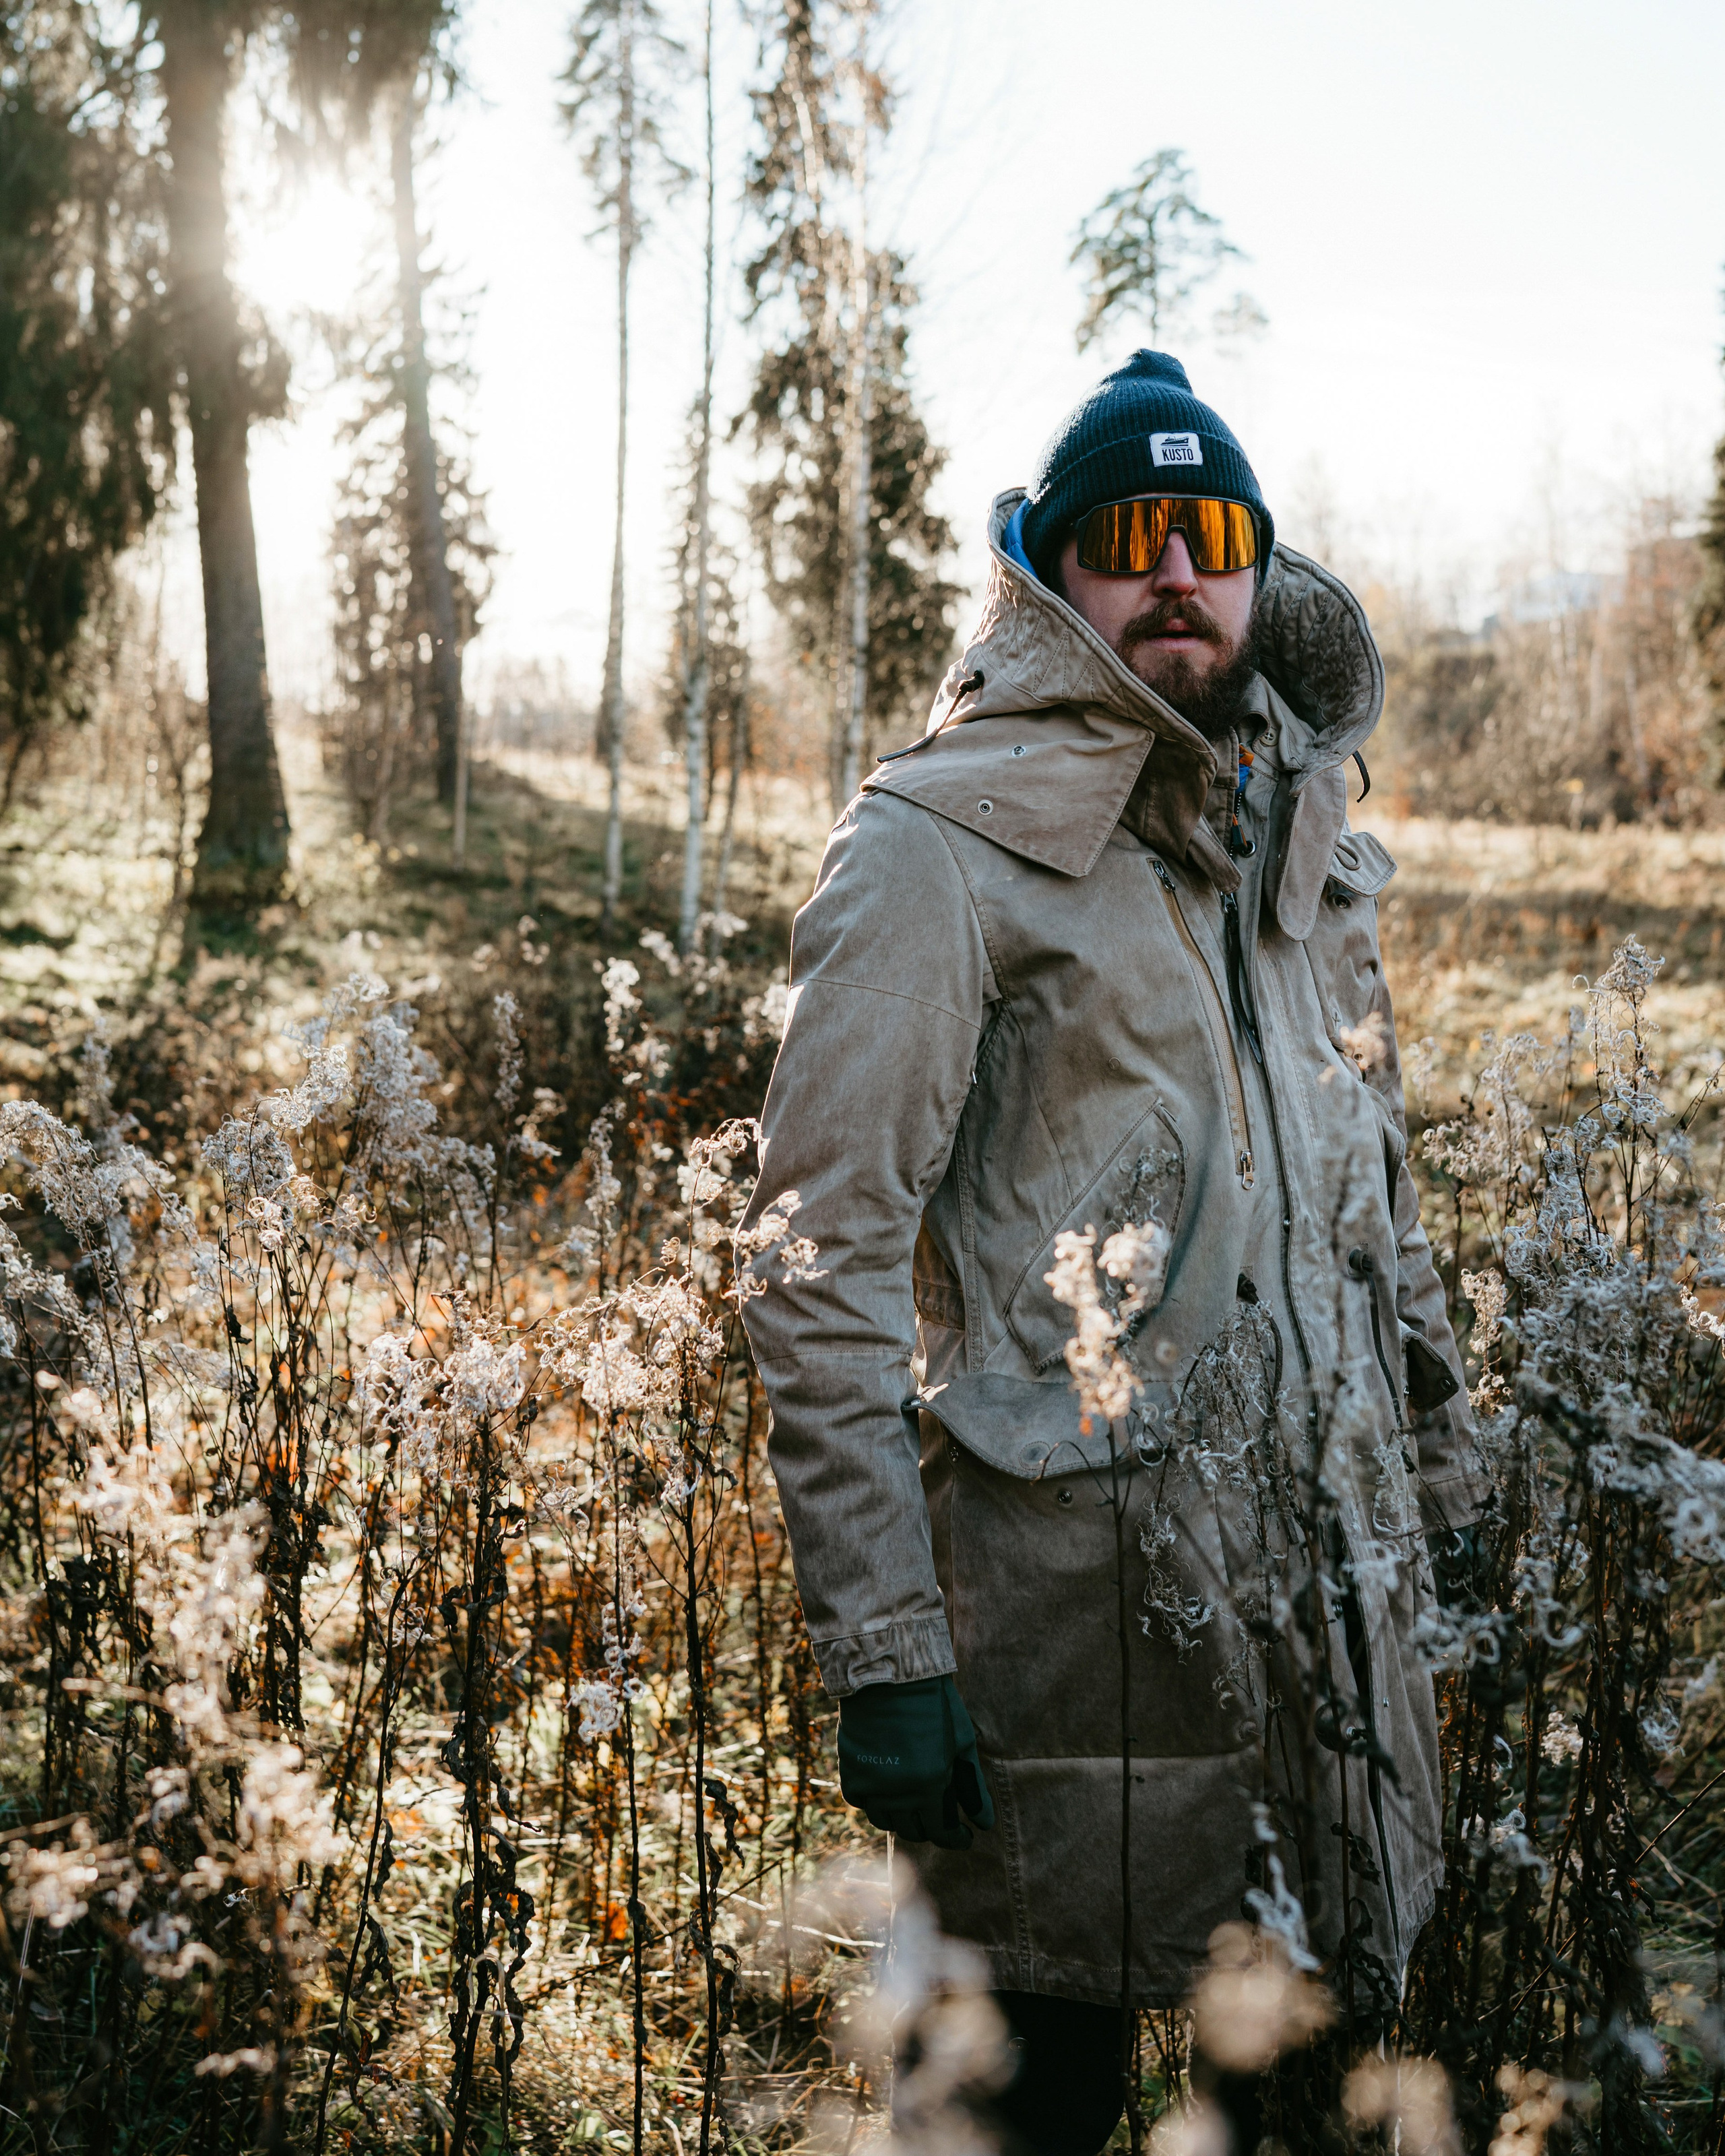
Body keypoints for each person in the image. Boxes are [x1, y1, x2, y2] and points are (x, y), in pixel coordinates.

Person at [734, 351, 1484, 2155]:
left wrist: (1441, 1487)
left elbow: (1372, 1205)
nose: (1173, 569)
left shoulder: (1306, 845)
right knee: (1024, 2115)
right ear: (1050, 571)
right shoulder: (939, 847)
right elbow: (815, 1263)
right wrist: (889, 1651)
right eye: (1125, 534)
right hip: (1057, 1637)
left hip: (1318, 1614)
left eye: (1209, 532)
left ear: (1255, 569)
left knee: (1290, 2099)